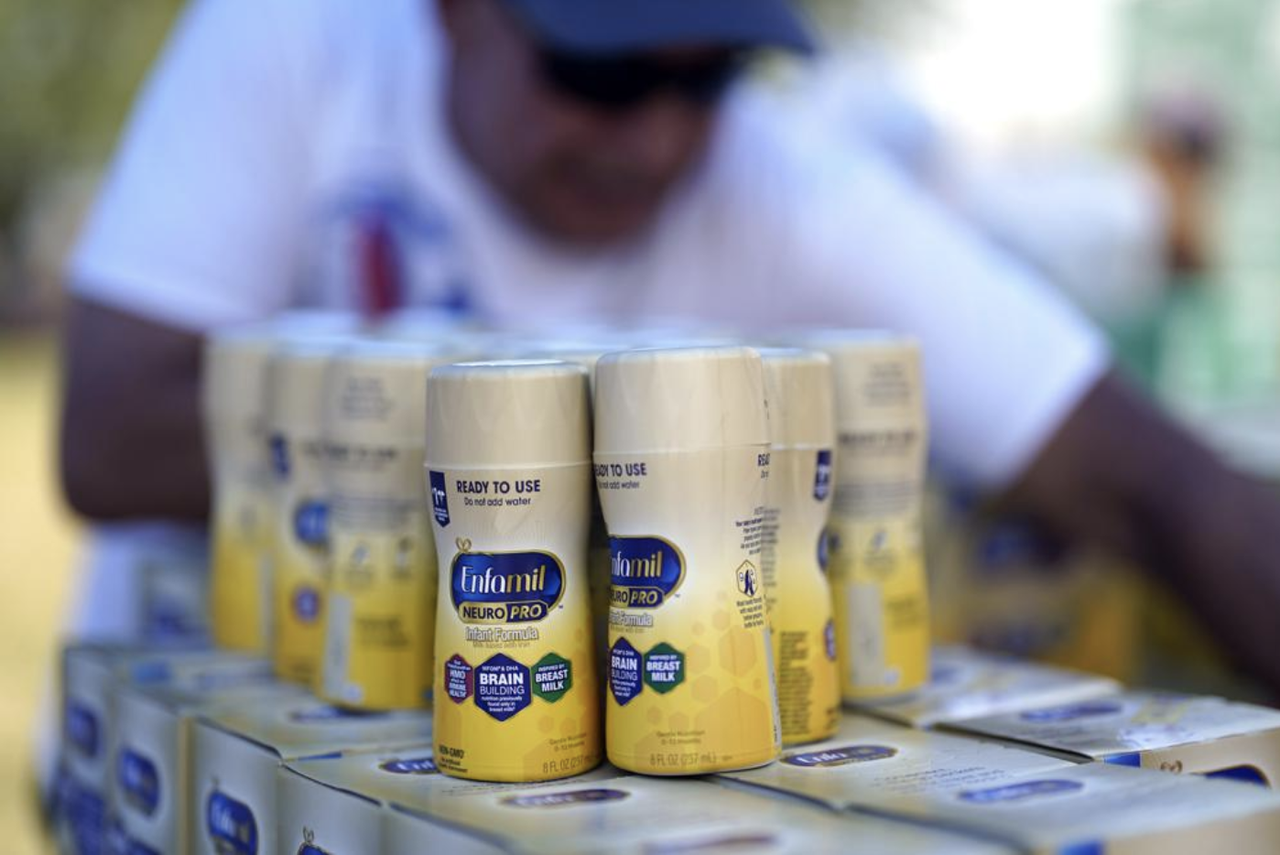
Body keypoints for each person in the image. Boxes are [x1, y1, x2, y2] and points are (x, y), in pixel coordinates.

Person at [61, 0, 1280, 694]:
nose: (652, 142)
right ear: (454, 14)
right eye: (597, 70)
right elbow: (109, 438)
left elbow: (1151, 480)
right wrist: (598, 430)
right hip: (191, 763)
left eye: (709, 83)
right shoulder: (284, 42)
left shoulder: (780, 176)